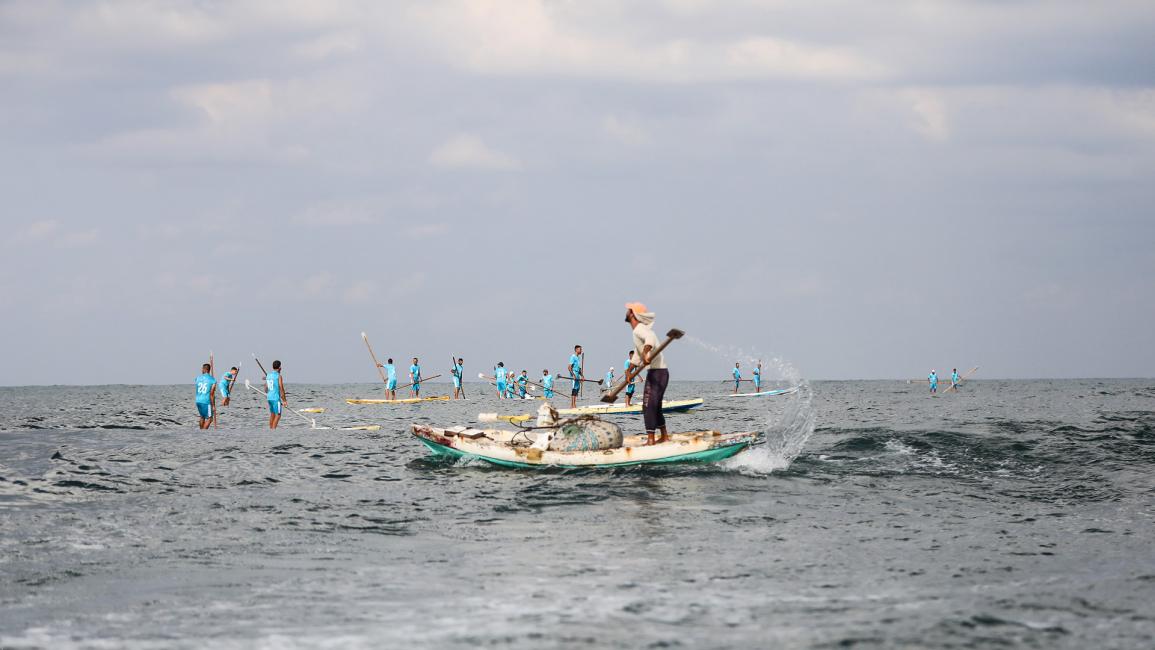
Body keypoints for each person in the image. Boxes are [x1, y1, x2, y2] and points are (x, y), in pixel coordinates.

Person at [624, 302, 669, 445]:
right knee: (655, 406)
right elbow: (638, 354)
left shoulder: (640, 329)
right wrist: (629, 370)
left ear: (633, 314)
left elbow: (648, 341)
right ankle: (664, 436)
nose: (626, 312)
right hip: (661, 372)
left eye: (628, 310)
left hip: (656, 373)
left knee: (648, 405)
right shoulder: (638, 331)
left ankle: (651, 440)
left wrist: (646, 351)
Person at [195, 363, 216, 430]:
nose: (201, 370)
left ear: (204, 369)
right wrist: (213, 406)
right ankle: (204, 432)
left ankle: (201, 432)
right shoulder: (213, 380)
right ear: (209, 370)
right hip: (206, 402)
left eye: (202, 369)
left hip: (198, 401)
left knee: (202, 416)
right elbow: (212, 394)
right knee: (210, 418)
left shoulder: (197, 378)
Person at [266, 360, 286, 429]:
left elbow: (265, 389)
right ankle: (273, 430)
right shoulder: (279, 376)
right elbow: (281, 388)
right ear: (280, 367)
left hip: (269, 398)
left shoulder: (268, 375)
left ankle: (271, 429)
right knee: (278, 415)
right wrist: (284, 400)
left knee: (272, 414)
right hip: (276, 398)